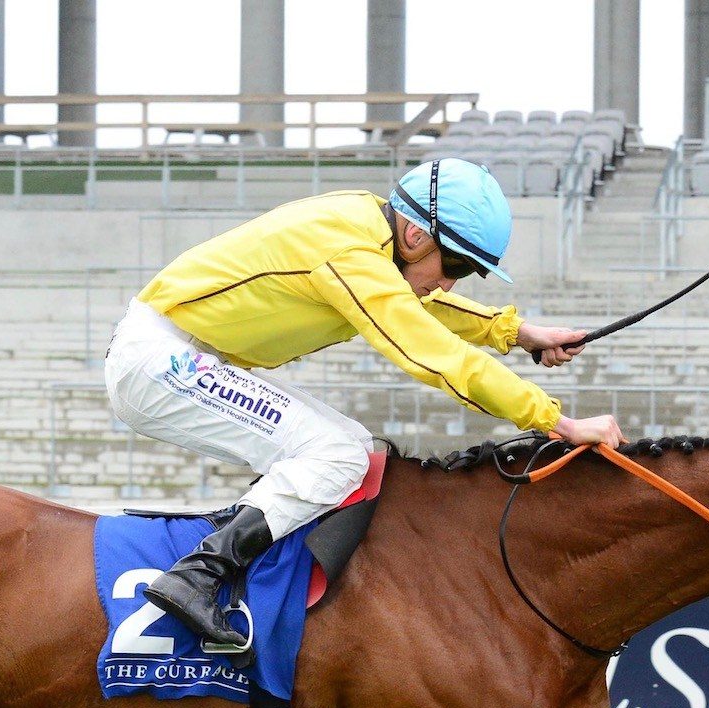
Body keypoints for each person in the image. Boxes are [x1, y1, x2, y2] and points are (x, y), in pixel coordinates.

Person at [105, 157, 626, 654]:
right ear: (417, 236)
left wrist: (515, 333)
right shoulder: (350, 252)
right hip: (160, 361)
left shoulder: (370, 227)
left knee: (350, 448)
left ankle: (232, 579)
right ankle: (197, 577)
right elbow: (433, 353)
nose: (450, 282)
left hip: (179, 352)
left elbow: (415, 302)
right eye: (458, 265)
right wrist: (557, 422)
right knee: (335, 453)